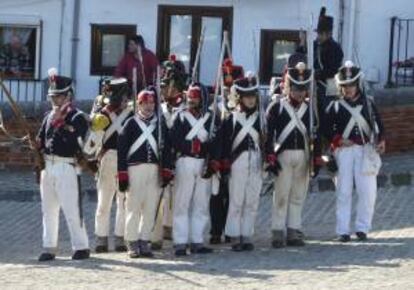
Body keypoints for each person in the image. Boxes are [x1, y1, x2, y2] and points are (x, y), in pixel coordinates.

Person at [326, 61, 385, 242]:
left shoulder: (368, 103)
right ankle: (343, 230)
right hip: (344, 151)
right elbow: (327, 129)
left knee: (367, 192)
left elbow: (379, 125)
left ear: (357, 84)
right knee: (343, 192)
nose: (348, 89)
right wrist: (338, 140)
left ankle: (362, 228)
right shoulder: (335, 106)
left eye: (351, 85)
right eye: (345, 86)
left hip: (365, 150)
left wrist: (381, 140)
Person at [265, 62, 323, 248]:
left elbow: (316, 134)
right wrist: (270, 156)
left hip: (303, 155)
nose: (300, 92)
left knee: (298, 195)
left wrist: (317, 158)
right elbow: (268, 135)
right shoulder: (277, 107)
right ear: (288, 87)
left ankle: (293, 230)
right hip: (283, 155)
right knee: (281, 194)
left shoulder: (310, 109)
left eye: (303, 88)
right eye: (296, 88)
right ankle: (277, 231)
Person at [36, 68, 90, 261]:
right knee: (48, 210)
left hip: (66, 166)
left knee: (71, 209)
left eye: (58, 96)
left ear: (68, 95)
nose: (54, 100)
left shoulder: (77, 117)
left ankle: (81, 246)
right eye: (53, 97)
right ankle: (49, 247)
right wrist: (35, 144)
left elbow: (77, 142)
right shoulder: (48, 116)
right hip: (47, 167)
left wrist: (61, 125)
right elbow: (41, 138)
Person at [117, 88, 173, 258]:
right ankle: (132, 242)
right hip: (135, 169)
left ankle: (145, 241)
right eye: (145, 103)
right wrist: (122, 174)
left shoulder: (160, 124)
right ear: (139, 104)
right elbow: (122, 150)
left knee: (150, 208)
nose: (149, 106)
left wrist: (166, 171)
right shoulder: (131, 124)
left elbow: (167, 149)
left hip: (154, 169)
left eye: (151, 103)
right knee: (133, 207)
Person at [170, 82, 221, 256]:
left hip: (203, 164)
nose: (191, 100)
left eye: (195, 98)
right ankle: (180, 242)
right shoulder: (180, 116)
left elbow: (216, 142)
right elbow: (175, 140)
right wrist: (194, 147)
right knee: (182, 203)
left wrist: (213, 161)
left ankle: (197, 240)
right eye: (190, 97)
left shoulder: (212, 117)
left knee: (201, 204)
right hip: (185, 161)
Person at [86, 78, 133, 253]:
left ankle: (121, 237)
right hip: (108, 158)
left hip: (126, 159)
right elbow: (93, 139)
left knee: (124, 202)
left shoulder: (131, 113)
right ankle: (101, 238)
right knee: (104, 202)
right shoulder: (102, 113)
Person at [221, 75, 263, 251]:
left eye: (253, 96)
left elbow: (265, 141)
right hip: (238, 162)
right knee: (237, 200)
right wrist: (223, 164)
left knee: (252, 200)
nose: (251, 100)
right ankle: (234, 234)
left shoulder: (261, 118)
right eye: (247, 96)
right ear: (240, 98)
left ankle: (246, 234)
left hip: (256, 160)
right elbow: (223, 144)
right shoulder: (231, 119)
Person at [151, 55, 187, 249]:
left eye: (169, 85)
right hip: (160, 157)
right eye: (163, 85)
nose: (165, 89)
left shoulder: (186, 106)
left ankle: (172, 227)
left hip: (179, 156)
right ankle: (155, 233)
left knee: (177, 195)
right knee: (159, 193)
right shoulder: (157, 107)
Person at [209, 58, 244, 245]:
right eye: (225, 87)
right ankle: (215, 230)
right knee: (216, 196)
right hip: (218, 158)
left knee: (233, 196)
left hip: (236, 157)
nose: (228, 90)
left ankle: (231, 230)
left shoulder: (242, 109)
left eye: (231, 87)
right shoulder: (214, 108)